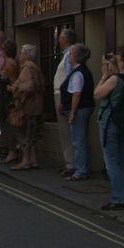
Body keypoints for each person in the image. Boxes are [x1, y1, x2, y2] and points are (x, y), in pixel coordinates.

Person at [94, 45, 124, 210]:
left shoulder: (115, 80)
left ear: (122, 60)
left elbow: (97, 94)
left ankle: (120, 198)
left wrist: (104, 75)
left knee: (112, 161)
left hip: (111, 122)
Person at [58, 43, 95, 181]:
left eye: (71, 54)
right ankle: (81, 168)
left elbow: (76, 94)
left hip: (80, 109)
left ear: (77, 57)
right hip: (81, 109)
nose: (69, 57)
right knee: (79, 139)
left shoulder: (79, 72)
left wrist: (73, 113)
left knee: (78, 140)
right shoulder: (78, 71)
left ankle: (81, 170)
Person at [8, 44, 45, 170]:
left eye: (22, 53)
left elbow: (29, 86)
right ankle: (32, 160)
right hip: (35, 106)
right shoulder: (34, 68)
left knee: (25, 134)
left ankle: (26, 160)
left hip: (29, 107)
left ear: (27, 55)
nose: (20, 55)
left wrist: (15, 88)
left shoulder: (28, 68)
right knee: (31, 134)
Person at [53, 29, 77, 175]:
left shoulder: (69, 55)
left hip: (63, 96)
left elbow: (69, 77)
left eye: (60, 37)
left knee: (67, 131)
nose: (58, 40)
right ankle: (69, 162)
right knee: (64, 132)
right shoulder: (66, 54)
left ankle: (71, 164)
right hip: (61, 94)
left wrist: (64, 100)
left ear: (66, 39)